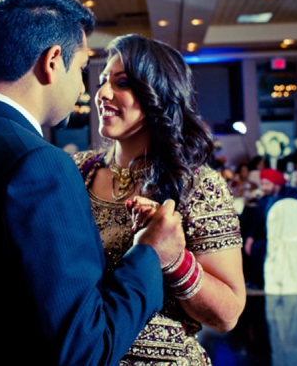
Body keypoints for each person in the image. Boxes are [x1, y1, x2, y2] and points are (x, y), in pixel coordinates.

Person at [0, 0, 185, 366]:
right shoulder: (39, 163)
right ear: (53, 61)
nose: (84, 88)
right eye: (83, 69)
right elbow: (85, 349)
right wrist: (151, 252)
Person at [73, 34, 246, 365]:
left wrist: (172, 259)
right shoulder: (77, 171)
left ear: (159, 93)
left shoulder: (198, 185)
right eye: (103, 81)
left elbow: (227, 315)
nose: (103, 94)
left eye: (122, 82)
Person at [244, 168, 297, 289]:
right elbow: (257, 223)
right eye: (263, 184)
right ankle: (258, 281)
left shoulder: (290, 194)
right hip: (267, 237)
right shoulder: (263, 200)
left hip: (285, 237)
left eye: (267, 184)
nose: (264, 187)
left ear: (276, 184)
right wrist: (250, 238)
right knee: (253, 247)